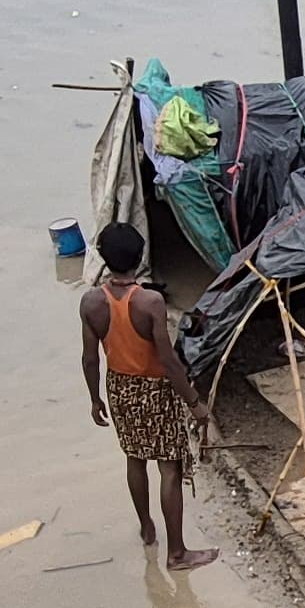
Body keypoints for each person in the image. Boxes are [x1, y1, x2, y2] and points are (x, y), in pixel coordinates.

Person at [78, 223, 215, 572]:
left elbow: (90, 358)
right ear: (139, 259)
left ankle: (147, 528)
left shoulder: (92, 301)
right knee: (169, 466)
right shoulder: (150, 301)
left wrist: (95, 399)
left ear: (105, 260)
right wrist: (194, 401)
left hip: (120, 387)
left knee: (134, 457)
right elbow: (168, 361)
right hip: (154, 389)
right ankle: (178, 554)